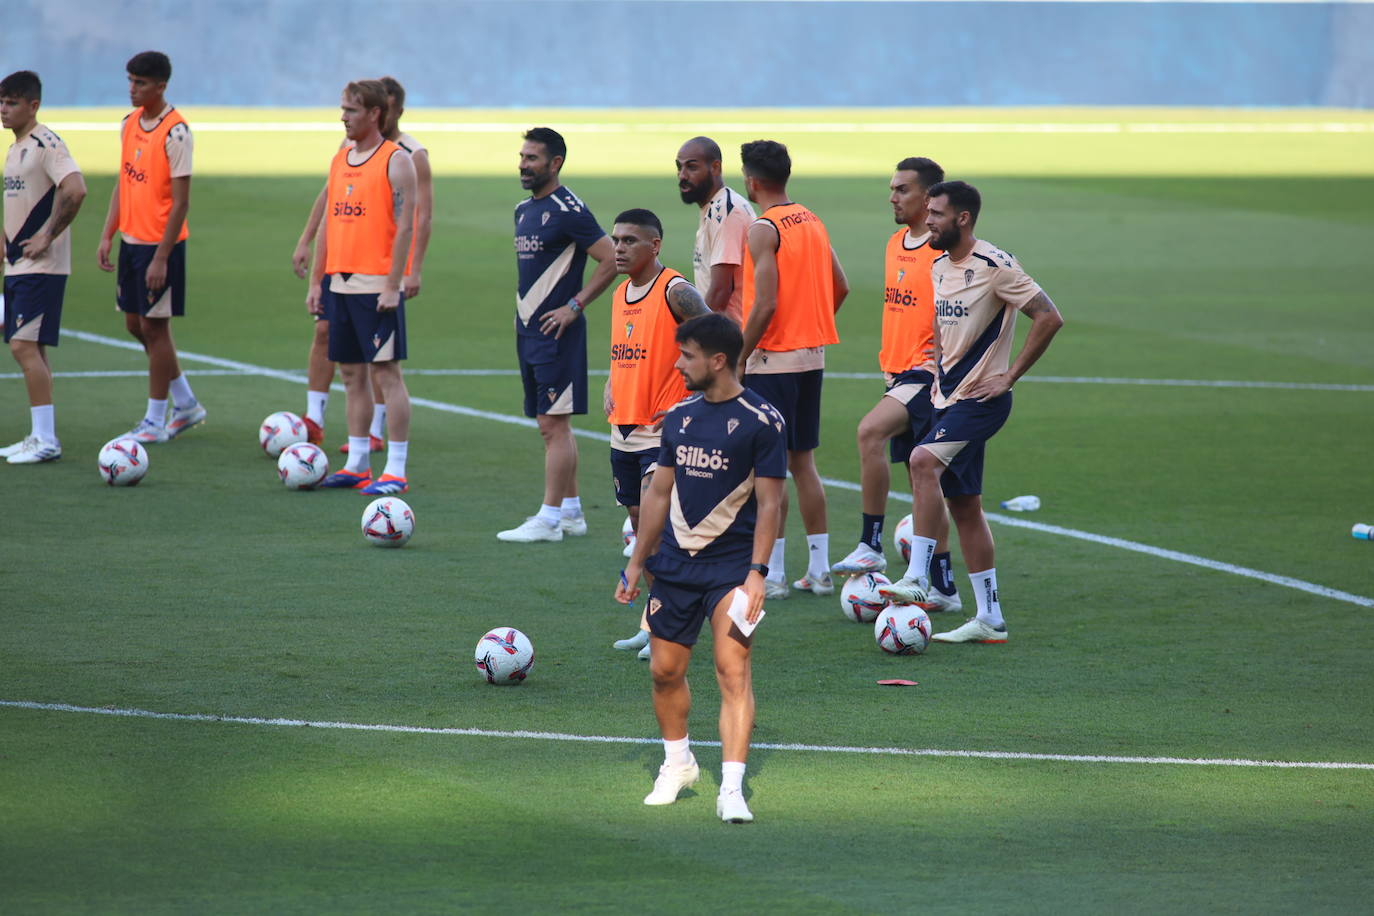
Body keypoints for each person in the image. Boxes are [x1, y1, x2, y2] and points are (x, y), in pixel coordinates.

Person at [616, 312, 785, 824]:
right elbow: (659, 493)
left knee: (733, 671)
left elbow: (772, 504)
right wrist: (635, 562)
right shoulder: (681, 415)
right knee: (664, 671)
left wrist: (759, 570)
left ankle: (731, 787)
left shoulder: (763, 421)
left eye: (686, 355)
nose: (677, 363)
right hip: (674, 564)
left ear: (717, 360)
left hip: (733, 568)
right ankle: (678, 764)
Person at [880, 180, 1064, 643]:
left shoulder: (995, 265)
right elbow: (944, 328)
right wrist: (939, 377)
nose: (928, 221)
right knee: (965, 507)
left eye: (937, 214)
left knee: (921, 462)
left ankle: (918, 576)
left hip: (983, 401)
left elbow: (1049, 316)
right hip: (948, 399)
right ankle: (990, 619)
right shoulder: (939, 266)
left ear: (962, 218)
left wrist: (1011, 375)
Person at [831, 158, 962, 613]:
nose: (893, 197)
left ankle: (871, 543)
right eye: (892, 188)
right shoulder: (893, 244)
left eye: (902, 189)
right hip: (896, 371)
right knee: (923, 486)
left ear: (928, 199)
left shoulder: (943, 254)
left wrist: (943, 365)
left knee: (870, 431)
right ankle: (945, 587)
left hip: (925, 376)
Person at [291, 76, 432, 453]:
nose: (343, 117)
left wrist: (399, 279)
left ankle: (394, 464)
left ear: (377, 113)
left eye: (350, 110)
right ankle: (354, 460)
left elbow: (412, 222)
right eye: (342, 109)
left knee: (385, 372)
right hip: (339, 281)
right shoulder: (341, 158)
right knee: (351, 373)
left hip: (376, 283)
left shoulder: (403, 158)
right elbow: (331, 219)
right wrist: (317, 281)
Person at [737, 139, 848, 599]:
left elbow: (764, 304)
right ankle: (820, 571)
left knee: (769, 470)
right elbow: (839, 287)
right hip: (811, 356)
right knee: (804, 463)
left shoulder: (763, 228)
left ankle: (774, 575)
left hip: (771, 363)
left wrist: (740, 357)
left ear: (752, 180)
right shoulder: (812, 220)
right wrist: (811, 322)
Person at [497, 127, 616, 543]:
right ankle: (570, 512)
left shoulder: (569, 209)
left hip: (557, 333)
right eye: (522, 156)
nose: (523, 165)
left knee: (554, 425)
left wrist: (575, 305)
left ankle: (548, 520)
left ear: (555, 163)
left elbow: (611, 259)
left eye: (532, 158)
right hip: (528, 331)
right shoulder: (522, 210)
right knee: (549, 424)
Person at [602, 209, 711, 657]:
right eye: (616, 240)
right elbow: (627, 349)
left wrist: (693, 398)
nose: (619, 248)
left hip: (661, 433)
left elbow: (717, 336)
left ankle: (671, 627)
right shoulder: (621, 293)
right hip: (623, 429)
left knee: (655, 530)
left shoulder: (676, 290)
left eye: (630, 241)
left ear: (655, 245)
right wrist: (612, 380)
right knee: (638, 531)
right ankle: (655, 622)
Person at [96, 51, 206, 444]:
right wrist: (109, 232)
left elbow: (181, 202)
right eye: (130, 81)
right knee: (134, 325)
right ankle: (186, 402)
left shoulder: (176, 132)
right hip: (131, 242)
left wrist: (161, 256)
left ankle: (155, 421)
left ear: (161, 86)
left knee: (155, 329)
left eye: (140, 83)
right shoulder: (128, 124)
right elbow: (124, 182)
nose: (132, 89)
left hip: (161, 246)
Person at [1, 71, 87, 464]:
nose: (4, 109)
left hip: (42, 266)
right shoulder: (15, 148)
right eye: (1, 101)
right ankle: (39, 434)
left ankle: (48, 440)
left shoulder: (46, 143)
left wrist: (48, 235)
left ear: (33, 106)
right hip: (17, 265)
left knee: (21, 346)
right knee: (31, 347)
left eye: (12, 102)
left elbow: (75, 188)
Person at [675, 136, 755, 325]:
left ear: (716, 167)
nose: (682, 176)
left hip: (732, 338)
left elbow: (720, 290)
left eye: (691, 167)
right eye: (679, 167)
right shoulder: (714, 208)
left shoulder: (725, 211)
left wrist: (697, 334)